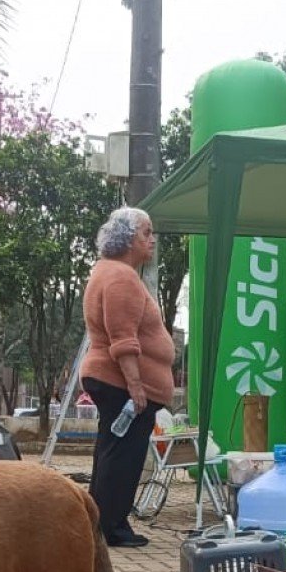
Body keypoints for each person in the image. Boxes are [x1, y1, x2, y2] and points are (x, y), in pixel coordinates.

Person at [82, 206, 174, 549]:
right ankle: (112, 528)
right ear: (127, 238)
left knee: (112, 453)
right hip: (121, 382)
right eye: (146, 233)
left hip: (115, 380)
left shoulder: (109, 272)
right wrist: (136, 389)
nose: (152, 240)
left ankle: (103, 523)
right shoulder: (120, 277)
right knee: (122, 457)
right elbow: (123, 339)